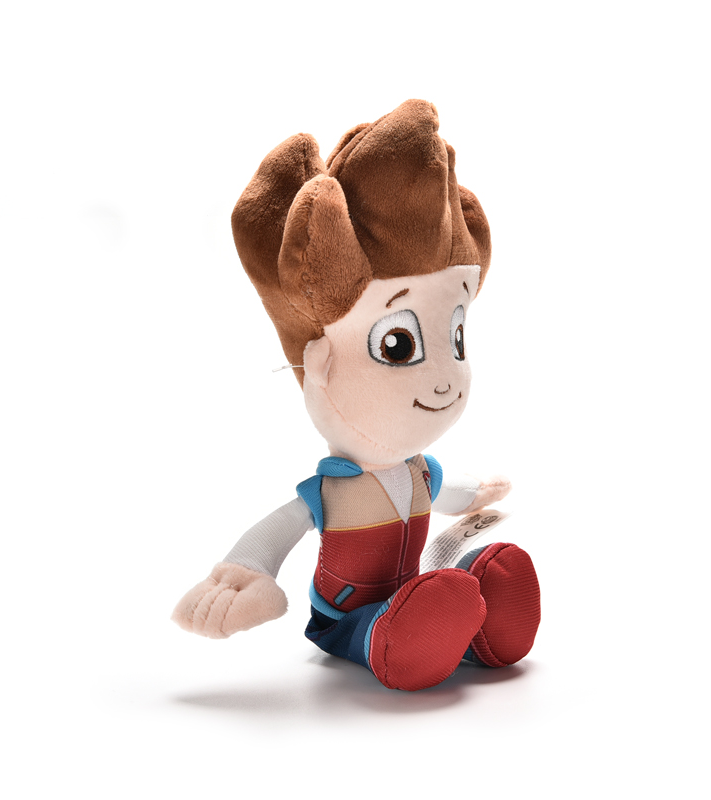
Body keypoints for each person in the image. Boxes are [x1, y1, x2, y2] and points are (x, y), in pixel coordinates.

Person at [172, 100, 541, 691]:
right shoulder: (332, 490)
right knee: (393, 620)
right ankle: (398, 639)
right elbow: (274, 533)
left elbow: (448, 492)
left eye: (455, 338)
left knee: (465, 584)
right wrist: (244, 576)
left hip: (411, 589)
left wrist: (477, 495)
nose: (444, 377)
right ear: (321, 364)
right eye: (398, 345)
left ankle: (472, 624)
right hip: (345, 619)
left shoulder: (419, 470)